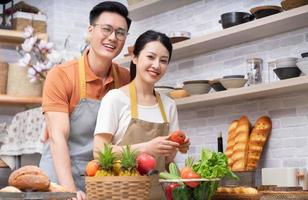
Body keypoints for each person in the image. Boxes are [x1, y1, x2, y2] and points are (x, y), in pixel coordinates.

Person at [39, 1, 131, 199]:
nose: (112, 38)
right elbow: (57, 138)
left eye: (120, 32)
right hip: (59, 177)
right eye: (106, 29)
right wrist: (69, 191)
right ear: (91, 30)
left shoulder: (125, 78)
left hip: (100, 177)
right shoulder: (61, 75)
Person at [93, 30, 190, 200]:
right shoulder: (115, 99)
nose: (156, 65)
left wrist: (177, 147)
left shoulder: (169, 105)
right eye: (150, 57)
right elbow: (99, 151)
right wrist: (145, 148)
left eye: (163, 61)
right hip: (120, 194)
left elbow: (167, 161)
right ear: (135, 58)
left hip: (158, 194)